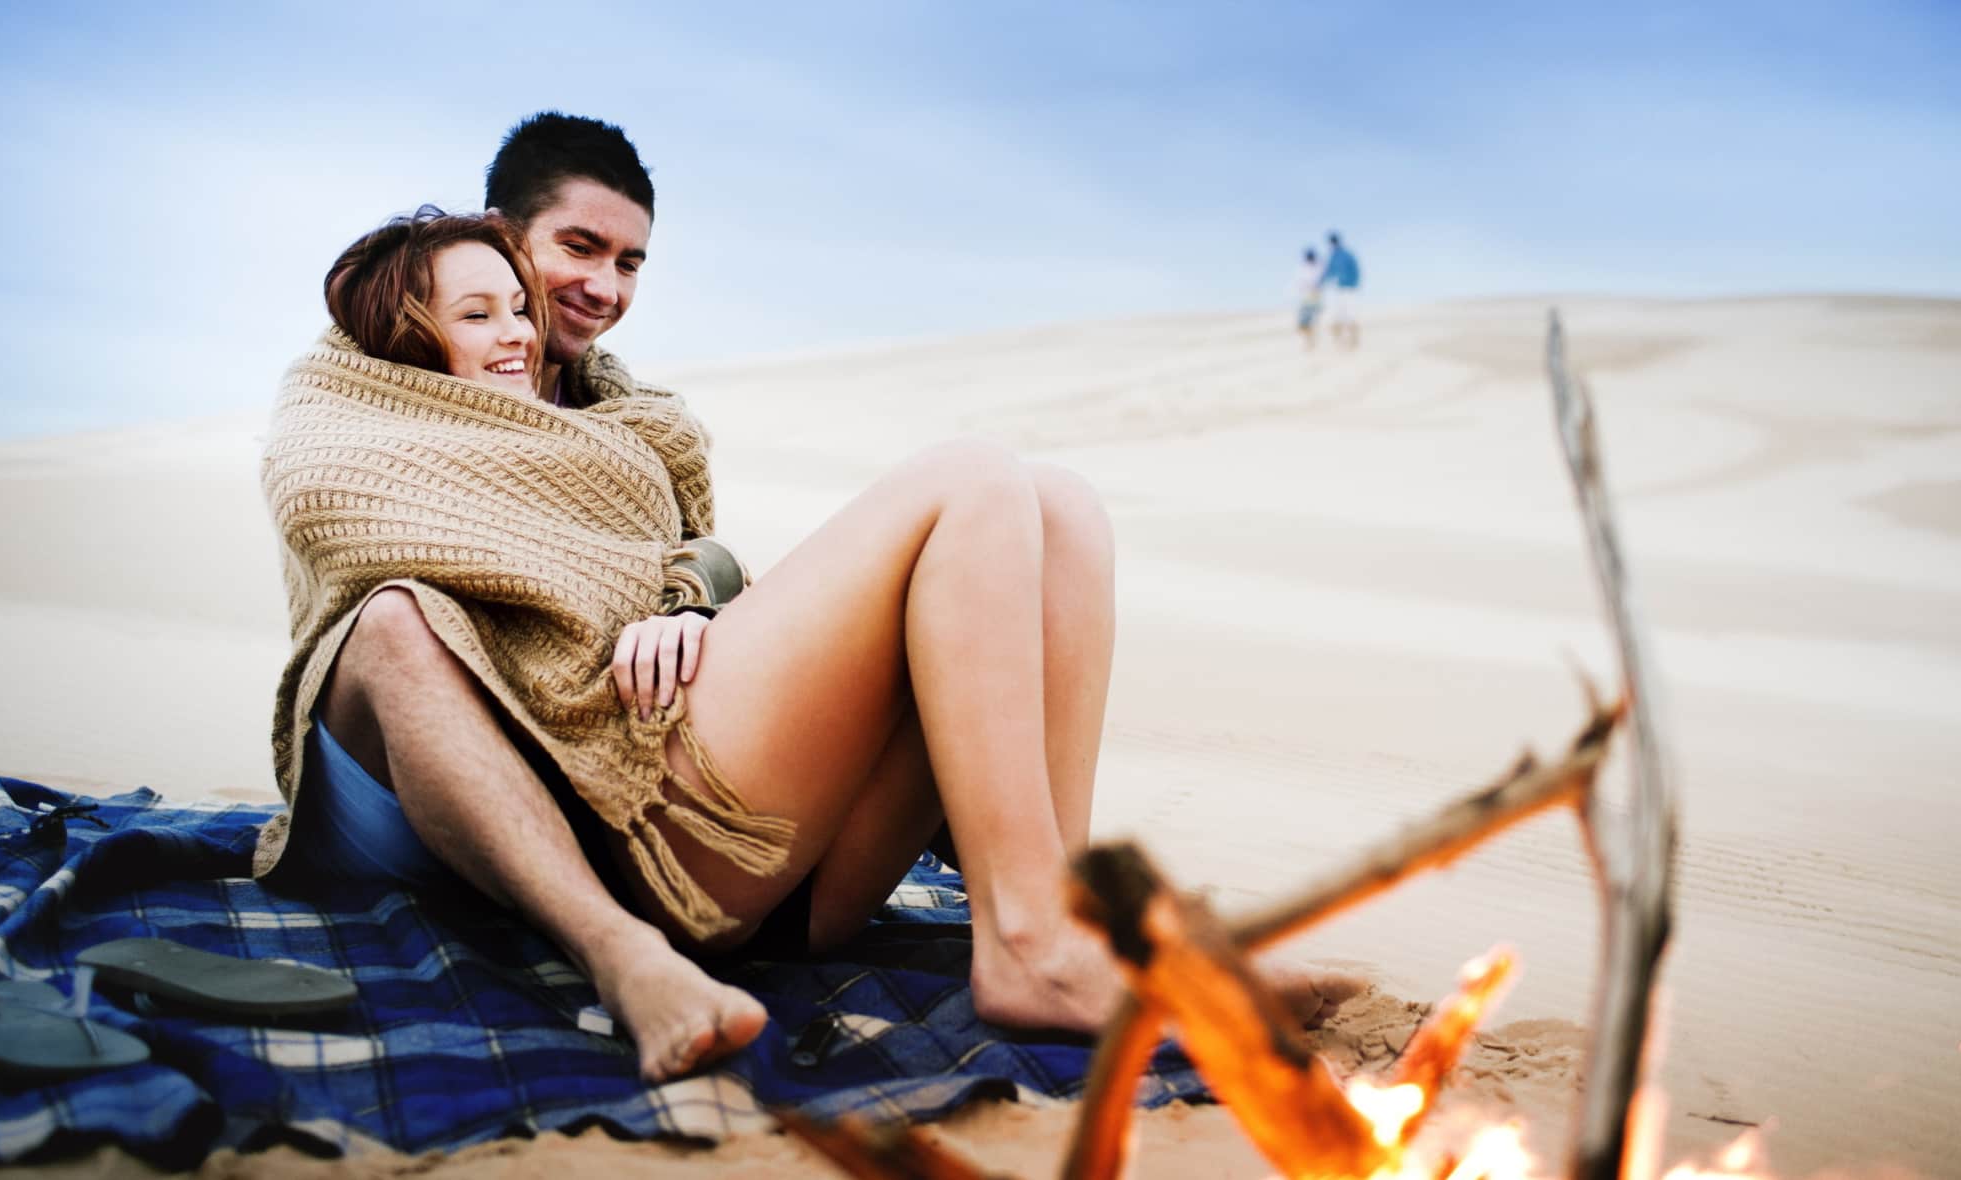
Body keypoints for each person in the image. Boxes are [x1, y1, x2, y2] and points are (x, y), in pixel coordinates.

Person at [261, 113, 1357, 1086]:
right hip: (636, 818)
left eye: (630, 260)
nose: (600, 285)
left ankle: (1061, 921)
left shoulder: (622, 412)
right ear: (502, 235)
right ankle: (1024, 946)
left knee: (1057, 504)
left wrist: (686, 595)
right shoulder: (362, 416)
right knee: (969, 475)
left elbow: (688, 556)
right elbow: (397, 548)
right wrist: (649, 600)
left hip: (762, 833)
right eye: (576, 249)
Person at [1319, 231, 1362, 349]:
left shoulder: (1346, 255)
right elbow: (1327, 272)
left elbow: (1355, 270)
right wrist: (1320, 283)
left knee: (1350, 315)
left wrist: (1353, 284)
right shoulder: (1333, 256)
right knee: (1336, 316)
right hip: (1338, 289)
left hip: (1347, 289)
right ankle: (1340, 342)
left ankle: (1353, 341)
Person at [1293, 246, 1324, 351]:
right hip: (1306, 298)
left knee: (1310, 322)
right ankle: (1309, 341)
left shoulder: (1318, 267)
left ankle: (1310, 342)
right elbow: (1299, 283)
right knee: (1303, 324)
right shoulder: (1304, 268)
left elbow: (1320, 283)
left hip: (1314, 298)